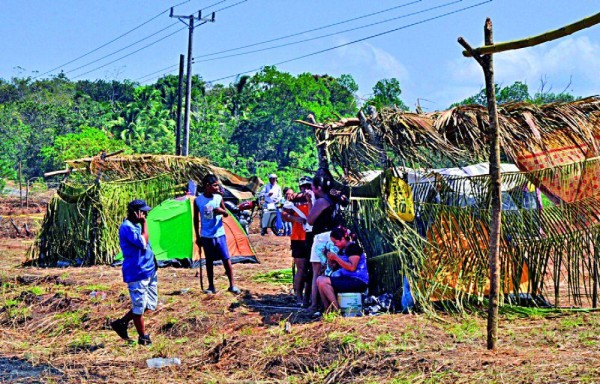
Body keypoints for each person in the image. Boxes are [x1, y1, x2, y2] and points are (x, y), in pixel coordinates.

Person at [111, 199, 157, 346]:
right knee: (139, 307)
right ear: (135, 213)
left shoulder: (136, 226)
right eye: (143, 211)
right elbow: (143, 243)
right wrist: (144, 223)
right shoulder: (128, 227)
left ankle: (122, 323)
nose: (146, 214)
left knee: (150, 305)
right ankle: (143, 337)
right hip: (136, 272)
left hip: (149, 270)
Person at [194, 174, 240, 295]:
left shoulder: (218, 198)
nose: (217, 187)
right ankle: (211, 286)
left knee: (226, 259)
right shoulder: (198, 200)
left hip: (219, 234)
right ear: (207, 186)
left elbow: (226, 214)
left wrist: (221, 211)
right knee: (209, 261)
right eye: (215, 185)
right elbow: (195, 218)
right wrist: (198, 237)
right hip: (206, 235)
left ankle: (232, 285)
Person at [316, 227, 369, 314]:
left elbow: (352, 267)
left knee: (322, 281)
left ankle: (337, 310)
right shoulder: (342, 251)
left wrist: (336, 258)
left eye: (335, 242)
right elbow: (338, 266)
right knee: (319, 280)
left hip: (357, 280)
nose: (335, 245)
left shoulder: (353, 248)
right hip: (347, 279)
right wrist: (330, 260)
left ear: (343, 239)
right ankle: (328, 309)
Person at [281, 176, 313, 307]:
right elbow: (284, 215)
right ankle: (298, 296)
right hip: (298, 238)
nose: (305, 188)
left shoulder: (315, 197)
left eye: (308, 186)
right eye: (302, 186)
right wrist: (295, 219)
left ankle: (308, 297)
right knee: (301, 268)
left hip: (312, 237)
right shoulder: (294, 199)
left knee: (311, 269)